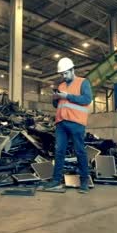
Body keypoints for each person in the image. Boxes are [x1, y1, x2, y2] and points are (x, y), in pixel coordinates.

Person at [45, 57, 93, 193]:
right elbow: (57, 105)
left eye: (66, 73)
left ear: (73, 70)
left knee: (79, 151)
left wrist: (67, 96)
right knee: (59, 151)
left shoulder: (83, 82)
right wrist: (55, 99)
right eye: (62, 74)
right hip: (61, 123)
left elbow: (87, 99)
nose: (64, 76)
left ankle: (84, 181)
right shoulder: (61, 86)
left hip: (76, 123)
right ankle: (56, 180)